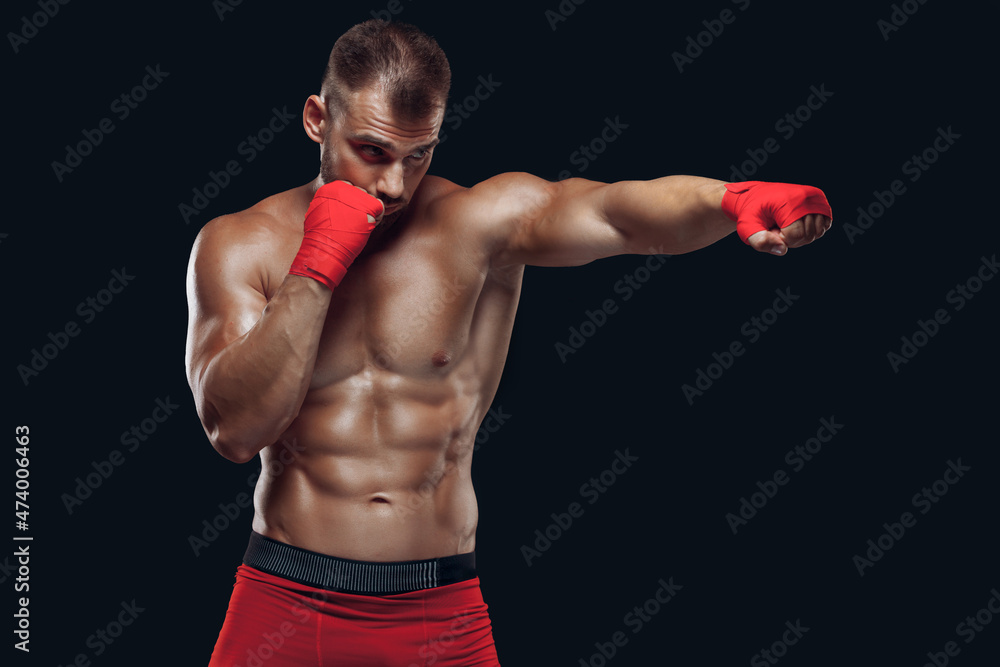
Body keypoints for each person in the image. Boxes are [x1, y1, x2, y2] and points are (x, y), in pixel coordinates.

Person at [185, 19, 832, 667]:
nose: (393, 186)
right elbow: (234, 430)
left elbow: (613, 212)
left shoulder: (476, 224)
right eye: (373, 151)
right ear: (316, 119)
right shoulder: (240, 244)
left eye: (419, 155)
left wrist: (728, 198)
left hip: (439, 612)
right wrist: (317, 262)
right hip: (287, 604)